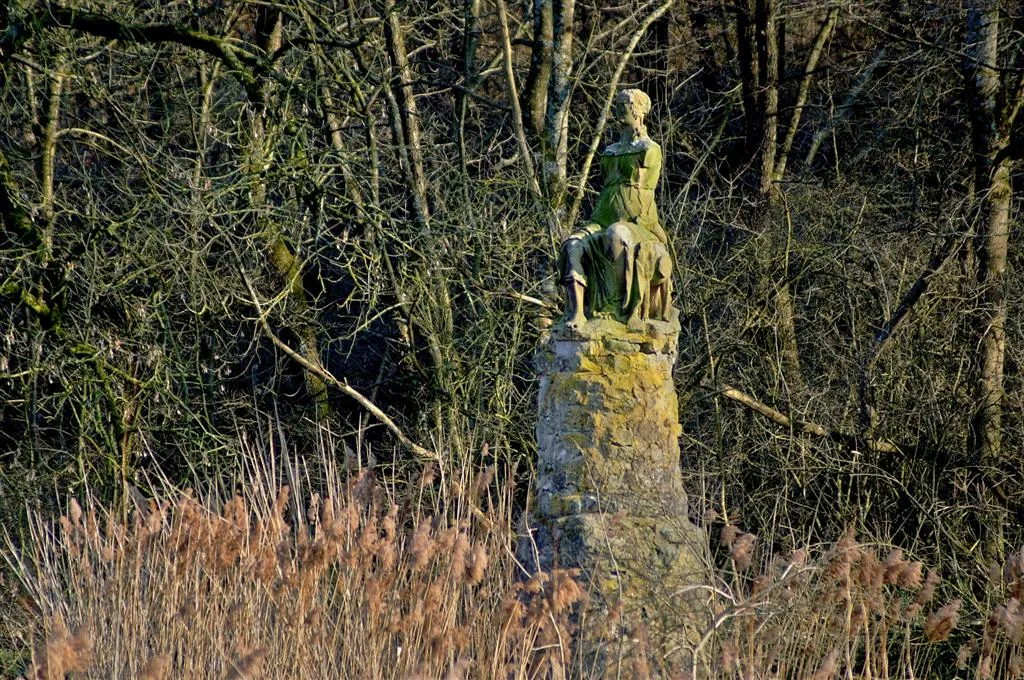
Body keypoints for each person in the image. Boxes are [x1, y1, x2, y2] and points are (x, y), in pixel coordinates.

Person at [559, 89, 673, 330]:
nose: (620, 108)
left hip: (636, 221)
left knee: (617, 236)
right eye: (618, 103)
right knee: (572, 246)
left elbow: (645, 192)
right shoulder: (609, 150)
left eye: (626, 104)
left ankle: (618, 310)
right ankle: (577, 314)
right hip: (602, 216)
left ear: (640, 111)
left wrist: (650, 227)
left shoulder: (649, 149)